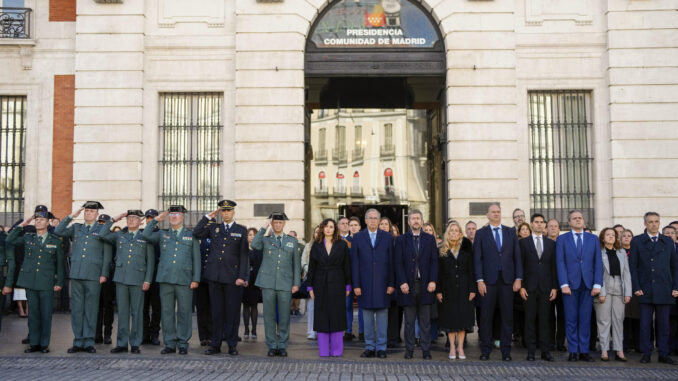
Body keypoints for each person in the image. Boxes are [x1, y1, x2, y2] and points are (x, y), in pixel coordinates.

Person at [4, 207, 65, 353]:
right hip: (30, 281)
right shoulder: (28, 237)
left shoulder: (55, 241)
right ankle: (34, 343)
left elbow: (60, 264)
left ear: (48, 222)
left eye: (41, 220)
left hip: (46, 282)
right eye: (36, 220)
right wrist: (23, 224)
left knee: (45, 313)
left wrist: (59, 282)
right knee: (33, 314)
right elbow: (9, 239)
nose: (38, 222)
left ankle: (44, 344)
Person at [55, 201, 112, 354]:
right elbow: (58, 231)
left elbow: (106, 255)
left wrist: (104, 273)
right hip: (77, 273)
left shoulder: (102, 229)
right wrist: (72, 216)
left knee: (91, 310)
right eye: (86, 211)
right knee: (77, 310)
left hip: (94, 275)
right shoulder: (76, 228)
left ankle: (88, 341)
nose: (88, 213)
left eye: (91, 211)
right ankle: (78, 341)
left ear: (97, 214)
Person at [143, 206, 201, 355]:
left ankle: (183, 342)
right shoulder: (163, 234)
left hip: (184, 280)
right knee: (167, 312)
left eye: (177, 214)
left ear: (183, 217)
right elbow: (146, 235)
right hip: (166, 279)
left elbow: (196, 259)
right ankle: (169, 343)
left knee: (184, 312)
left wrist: (196, 278)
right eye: (172, 214)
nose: (174, 216)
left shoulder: (191, 235)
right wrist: (156, 220)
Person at [194, 200, 249, 356]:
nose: (225, 213)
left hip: (232, 278)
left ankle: (232, 344)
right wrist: (206, 218)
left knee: (232, 313)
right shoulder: (213, 228)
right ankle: (215, 343)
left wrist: (242, 277)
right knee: (216, 313)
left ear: (233, 213)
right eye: (223, 211)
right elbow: (196, 233)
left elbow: (244, 256)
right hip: (215, 277)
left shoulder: (241, 230)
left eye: (228, 211)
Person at [100, 210, 155, 354]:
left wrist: (148, 280)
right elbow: (102, 234)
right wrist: (115, 218)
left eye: (134, 218)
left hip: (138, 279)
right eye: (129, 218)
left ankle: (135, 343)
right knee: (123, 312)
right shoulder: (120, 235)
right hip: (121, 278)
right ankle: (122, 343)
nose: (131, 220)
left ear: (140, 221)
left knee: (137, 313)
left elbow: (150, 261)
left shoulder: (145, 237)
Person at [474, 203, 522, 361]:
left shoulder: (510, 232)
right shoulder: (481, 233)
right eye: (493, 212)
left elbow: (517, 258)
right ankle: (485, 350)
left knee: (507, 317)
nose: (496, 214)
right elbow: (478, 259)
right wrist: (480, 280)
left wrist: (518, 278)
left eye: (498, 212)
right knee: (486, 317)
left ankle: (506, 351)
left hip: (507, 281)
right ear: (487, 215)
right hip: (488, 281)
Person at [629, 212, 678, 364]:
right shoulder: (637, 241)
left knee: (664, 325)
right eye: (650, 222)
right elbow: (633, 267)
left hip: (664, 288)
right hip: (645, 288)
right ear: (645, 224)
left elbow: (674, 267)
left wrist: (675, 286)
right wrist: (636, 286)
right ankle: (646, 353)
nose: (654, 224)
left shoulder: (668, 242)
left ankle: (664, 353)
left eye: (656, 221)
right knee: (645, 324)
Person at [251, 212, 301, 357]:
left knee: (284, 316)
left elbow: (296, 265)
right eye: (275, 223)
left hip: (285, 282)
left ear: (284, 224)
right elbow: (254, 244)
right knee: (269, 316)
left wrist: (296, 283)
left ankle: (283, 345)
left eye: (280, 222)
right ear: (272, 224)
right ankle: (272, 345)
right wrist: (264, 226)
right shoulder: (266, 240)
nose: (278, 225)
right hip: (268, 282)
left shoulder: (292, 241)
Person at [556, 210, 603, 362]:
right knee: (570, 319)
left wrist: (597, 284)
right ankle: (573, 351)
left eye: (580, 218)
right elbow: (560, 262)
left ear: (584, 221)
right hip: (569, 285)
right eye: (574, 218)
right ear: (569, 222)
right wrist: (563, 283)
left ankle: (584, 350)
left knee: (585, 319)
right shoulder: (562, 239)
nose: (577, 220)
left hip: (588, 285)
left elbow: (597, 262)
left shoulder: (593, 239)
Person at [352, 208, 395, 359]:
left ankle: (381, 347)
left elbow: (391, 263)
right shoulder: (357, 237)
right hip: (364, 285)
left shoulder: (388, 237)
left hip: (383, 284)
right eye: (370, 218)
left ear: (379, 220)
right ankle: (369, 347)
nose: (372, 220)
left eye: (375, 218)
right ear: (365, 220)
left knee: (383, 317)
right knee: (368, 318)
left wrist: (391, 283)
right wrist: (356, 285)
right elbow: (355, 263)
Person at [395, 209, 437, 360]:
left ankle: (426, 351)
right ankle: (409, 350)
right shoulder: (401, 240)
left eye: (418, 218)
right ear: (408, 221)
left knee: (425, 321)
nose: (416, 221)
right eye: (413, 219)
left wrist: (433, 280)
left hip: (425, 286)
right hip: (408, 286)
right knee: (409, 322)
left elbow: (434, 262)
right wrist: (402, 282)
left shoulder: (430, 239)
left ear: (422, 220)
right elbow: (398, 263)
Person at [307, 218, 352, 357]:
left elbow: (347, 266)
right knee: (322, 315)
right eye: (326, 226)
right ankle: (324, 350)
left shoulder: (342, 245)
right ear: (322, 229)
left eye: (331, 227)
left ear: (335, 229)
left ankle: (337, 350)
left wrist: (348, 285)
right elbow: (311, 268)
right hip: (320, 283)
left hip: (338, 283)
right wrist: (310, 287)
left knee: (337, 315)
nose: (328, 229)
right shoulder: (316, 245)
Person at [519, 213, 557, 362]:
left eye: (542, 222)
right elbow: (520, 266)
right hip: (529, 288)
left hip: (546, 288)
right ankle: (531, 352)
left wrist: (554, 287)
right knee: (529, 320)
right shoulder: (523, 243)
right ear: (532, 224)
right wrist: (521, 286)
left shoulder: (551, 243)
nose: (540, 224)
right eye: (537, 222)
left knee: (545, 320)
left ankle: (545, 352)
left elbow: (554, 267)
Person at [437, 221, 476, 360]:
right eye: (451, 230)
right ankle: (452, 347)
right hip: (448, 289)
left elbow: (471, 270)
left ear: (460, 233)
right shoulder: (442, 250)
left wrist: (472, 289)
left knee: (462, 319)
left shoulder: (466, 248)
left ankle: (460, 347)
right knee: (451, 319)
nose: (454, 232)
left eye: (456, 230)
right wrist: (439, 291)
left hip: (464, 289)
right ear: (448, 233)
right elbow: (439, 273)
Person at [594, 227, 631, 362]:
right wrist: (601, 291)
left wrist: (628, 293)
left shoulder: (621, 253)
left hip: (619, 288)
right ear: (603, 238)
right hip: (605, 287)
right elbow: (597, 273)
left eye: (613, 235)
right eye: (608, 235)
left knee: (618, 320)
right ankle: (604, 349)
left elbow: (626, 273)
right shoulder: (598, 252)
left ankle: (618, 350)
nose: (611, 237)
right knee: (603, 321)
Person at [141, 209, 162, 346]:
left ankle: (154, 333)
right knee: (142, 307)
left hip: (157, 276)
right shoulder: (141, 233)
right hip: (142, 275)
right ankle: (144, 334)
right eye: (148, 218)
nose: (150, 220)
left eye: (152, 218)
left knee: (156, 307)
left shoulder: (162, 234)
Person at [95, 214, 115, 345]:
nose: (101, 225)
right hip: (95, 276)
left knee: (108, 306)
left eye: (104, 223)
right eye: (100, 222)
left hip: (109, 276)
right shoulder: (94, 237)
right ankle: (97, 334)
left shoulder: (111, 237)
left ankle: (107, 333)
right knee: (96, 307)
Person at [243, 227, 263, 340]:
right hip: (246, 280)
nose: (252, 237)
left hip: (255, 280)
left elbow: (261, 266)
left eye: (254, 235)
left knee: (254, 306)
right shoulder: (244, 249)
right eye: (250, 235)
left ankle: (254, 330)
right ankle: (246, 330)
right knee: (245, 306)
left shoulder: (259, 249)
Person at [347, 216, 365, 341]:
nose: (353, 227)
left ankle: (362, 332)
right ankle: (348, 331)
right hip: (347, 278)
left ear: (359, 227)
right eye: (351, 225)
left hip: (361, 278)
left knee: (362, 306)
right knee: (347, 305)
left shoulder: (364, 239)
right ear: (348, 227)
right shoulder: (343, 242)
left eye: (355, 225)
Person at [301, 226, 318, 340]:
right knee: (311, 307)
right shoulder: (308, 246)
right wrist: (310, 270)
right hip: (311, 279)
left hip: (324, 280)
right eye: (316, 232)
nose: (317, 234)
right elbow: (303, 262)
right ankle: (311, 330)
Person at [196, 233, 211, 346]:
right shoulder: (198, 238)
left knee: (212, 308)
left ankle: (211, 334)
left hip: (212, 279)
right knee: (201, 309)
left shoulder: (217, 238)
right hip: (200, 279)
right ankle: (203, 336)